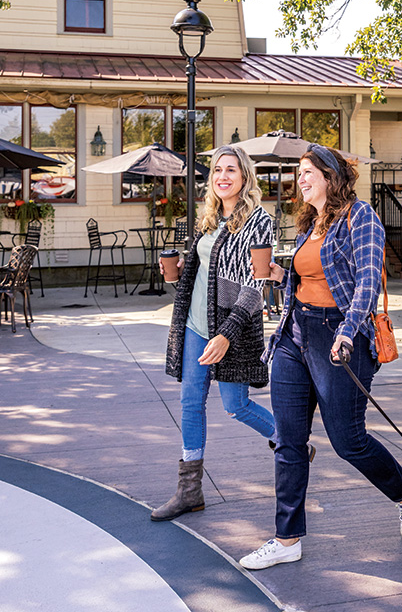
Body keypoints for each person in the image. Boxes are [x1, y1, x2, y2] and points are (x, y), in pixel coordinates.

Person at [239, 144, 402, 570]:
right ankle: (287, 540)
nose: (300, 180)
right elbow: (307, 280)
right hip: (294, 334)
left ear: (329, 175)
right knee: (288, 440)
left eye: (307, 172)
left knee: (347, 441)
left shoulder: (361, 217)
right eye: (298, 173)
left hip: (339, 336)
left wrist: (346, 332)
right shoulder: (309, 223)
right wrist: (277, 276)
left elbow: (366, 283)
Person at [152, 145, 283, 522]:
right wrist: (176, 274)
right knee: (190, 404)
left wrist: (226, 333)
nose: (223, 176)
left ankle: (288, 441)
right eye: (217, 171)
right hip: (195, 324)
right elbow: (200, 280)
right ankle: (189, 491)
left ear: (244, 177)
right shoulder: (208, 220)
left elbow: (256, 285)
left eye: (231, 170)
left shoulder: (258, 221)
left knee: (235, 405)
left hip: (234, 326)